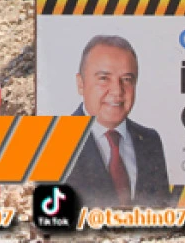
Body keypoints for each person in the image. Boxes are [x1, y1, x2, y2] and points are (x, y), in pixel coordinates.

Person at [64, 34, 170, 208]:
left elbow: (162, 210)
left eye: (126, 79)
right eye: (104, 78)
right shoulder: (53, 143)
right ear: (81, 84)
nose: (117, 90)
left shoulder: (150, 141)